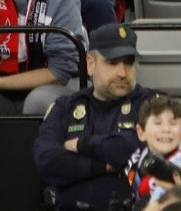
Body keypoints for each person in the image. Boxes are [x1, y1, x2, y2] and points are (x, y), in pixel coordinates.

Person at [34, 25, 156, 211]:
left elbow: (135, 148)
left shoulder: (151, 104)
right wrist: (103, 166)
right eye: (112, 63)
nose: (123, 73)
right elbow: (47, 161)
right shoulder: (65, 107)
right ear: (90, 64)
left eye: (129, 63)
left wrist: (80, 146)